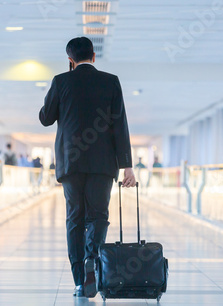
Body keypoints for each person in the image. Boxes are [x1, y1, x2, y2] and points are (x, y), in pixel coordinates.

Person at [39, 37, 136, 298]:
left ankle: (80, 280)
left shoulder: (61, 81)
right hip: (103, 163)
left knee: (75, 218)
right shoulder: (111, 81)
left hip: (71, 163)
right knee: (98, 215)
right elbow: (120, 125)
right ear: (94, 57)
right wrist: (127, 166)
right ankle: (93, 259)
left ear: (70, 60)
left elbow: (45, 118)